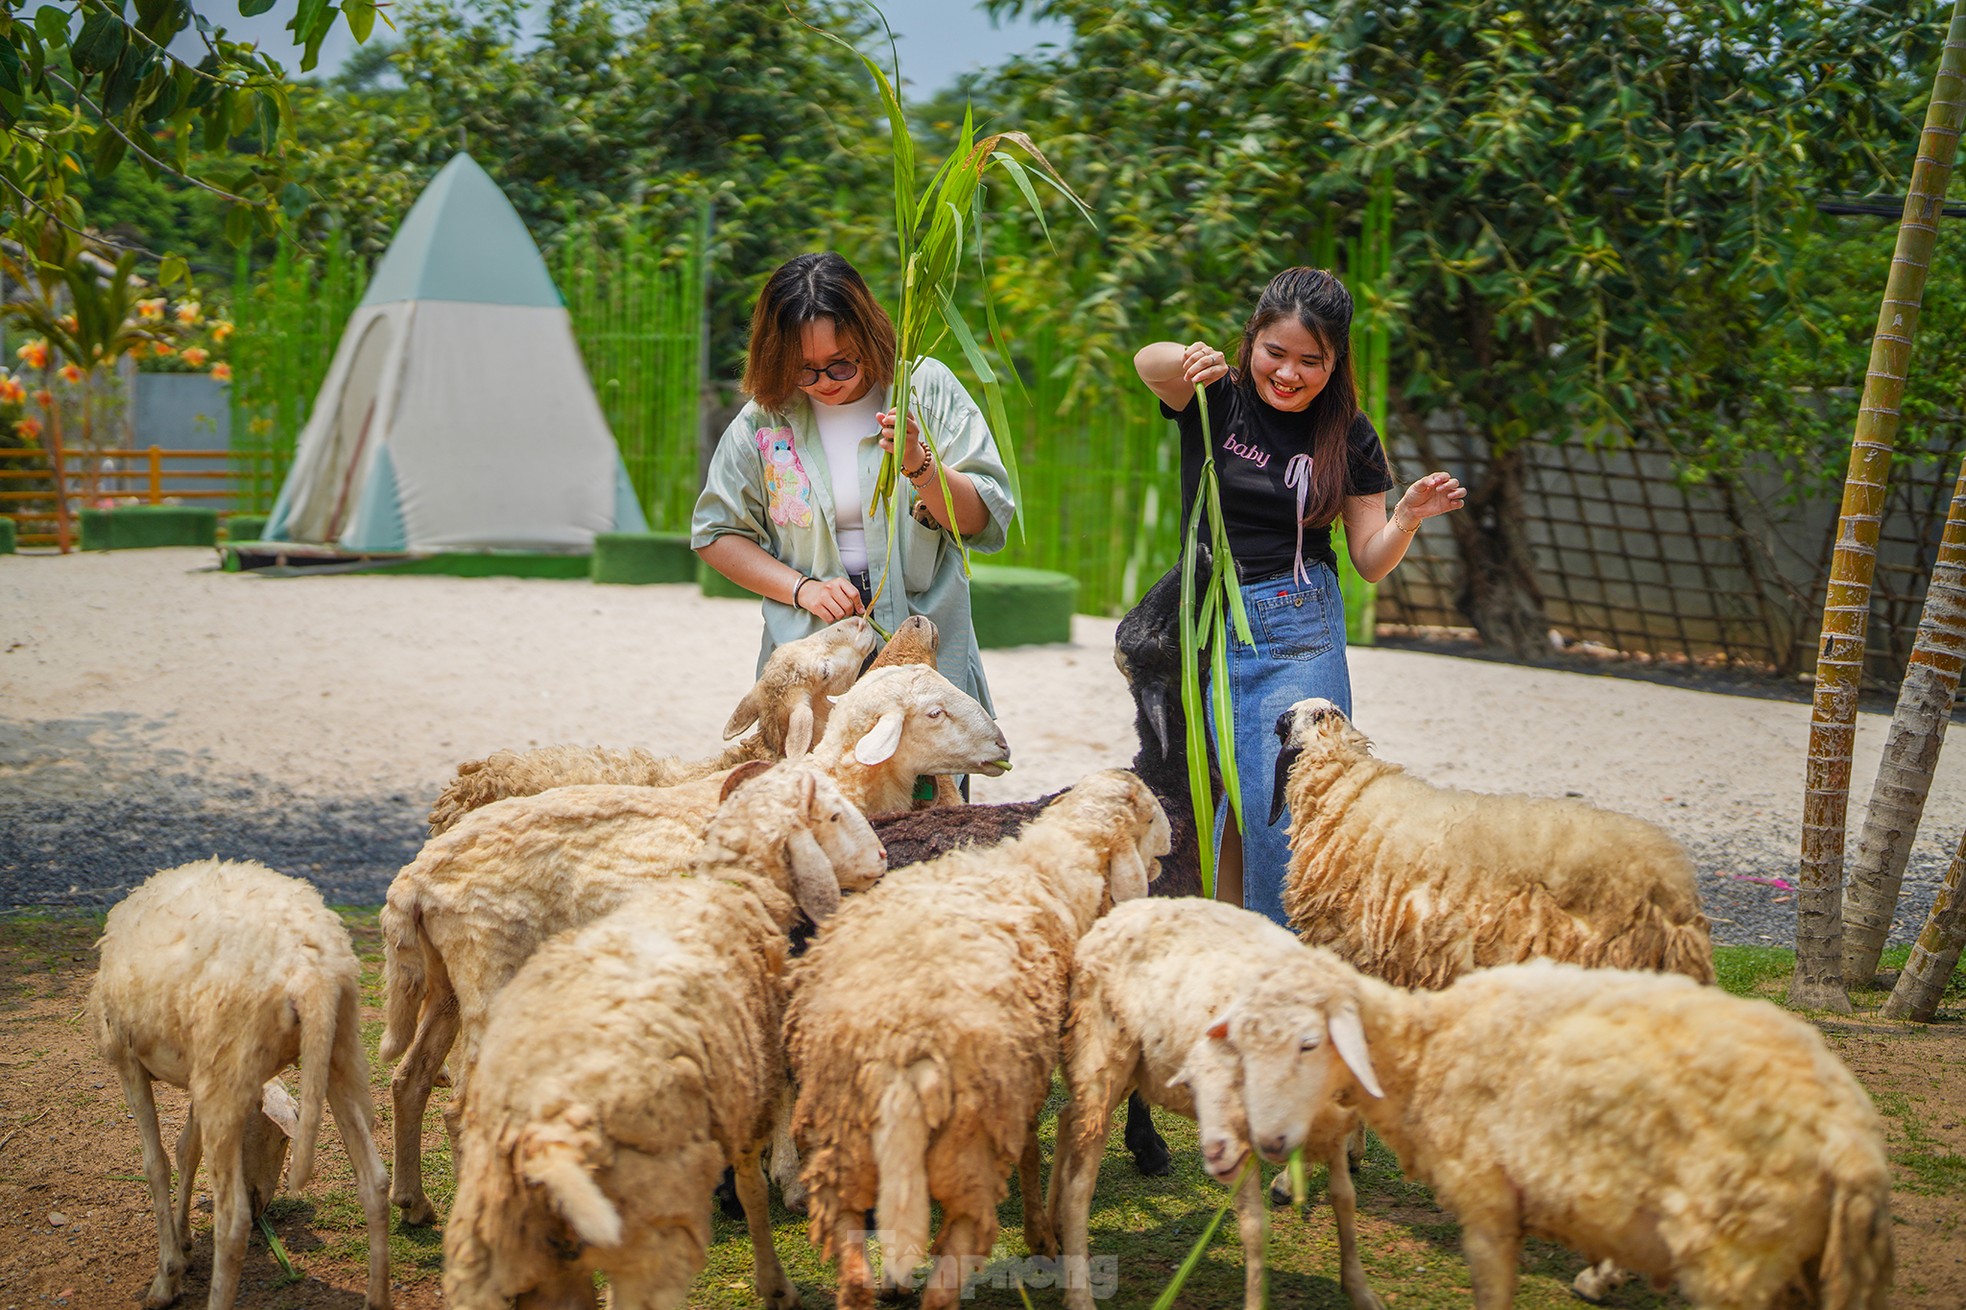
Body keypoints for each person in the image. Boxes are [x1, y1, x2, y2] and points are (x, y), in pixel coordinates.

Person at [1134, 266, 1465, 926]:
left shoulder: (1349, 433)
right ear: (1250, 340)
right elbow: (1149, 364)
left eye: (1310, 361)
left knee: (1291, 807)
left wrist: (1405, 519)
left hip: (1298, 628)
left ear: (1335, 361)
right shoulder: (1217, 397)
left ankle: (1287, 961)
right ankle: (1229, 944)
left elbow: (1370, 561)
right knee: (1214, 800)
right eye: (1274, 353)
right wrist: (1189, 357)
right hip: (1203, 625)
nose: (1288, 374)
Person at [692, 251, 1016, 721]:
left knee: (930, 790)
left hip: (924, 649)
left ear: (869, 337)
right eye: (804, 369)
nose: (824, 382)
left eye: (841, 364)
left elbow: (983, 523)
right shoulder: (764, 420)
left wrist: (919, 463)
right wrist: (803, 590)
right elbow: (716, 535)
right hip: (813, 660)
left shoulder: (923, 389)